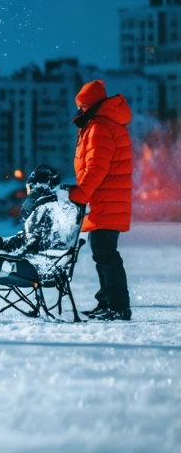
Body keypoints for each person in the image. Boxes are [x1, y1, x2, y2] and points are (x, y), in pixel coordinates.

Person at [66, 79, 134, 321]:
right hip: (107, 200)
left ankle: (117, 306)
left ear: (90, 106)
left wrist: (78, 195)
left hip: (107, 199)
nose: (80, 111)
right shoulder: (104, 124)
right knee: (103, 254)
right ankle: (107, 302)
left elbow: (96, 169)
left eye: (82, 106)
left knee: (106, 255)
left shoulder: (100, 127)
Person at [0, 165, 79, 273]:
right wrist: (0, 242)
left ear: (34, 186)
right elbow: (25, 239)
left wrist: (19, 256)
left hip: (42, 267)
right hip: (43, 264)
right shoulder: (46, 209)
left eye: (29, 187)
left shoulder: (47, 209)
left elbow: (35, 244)